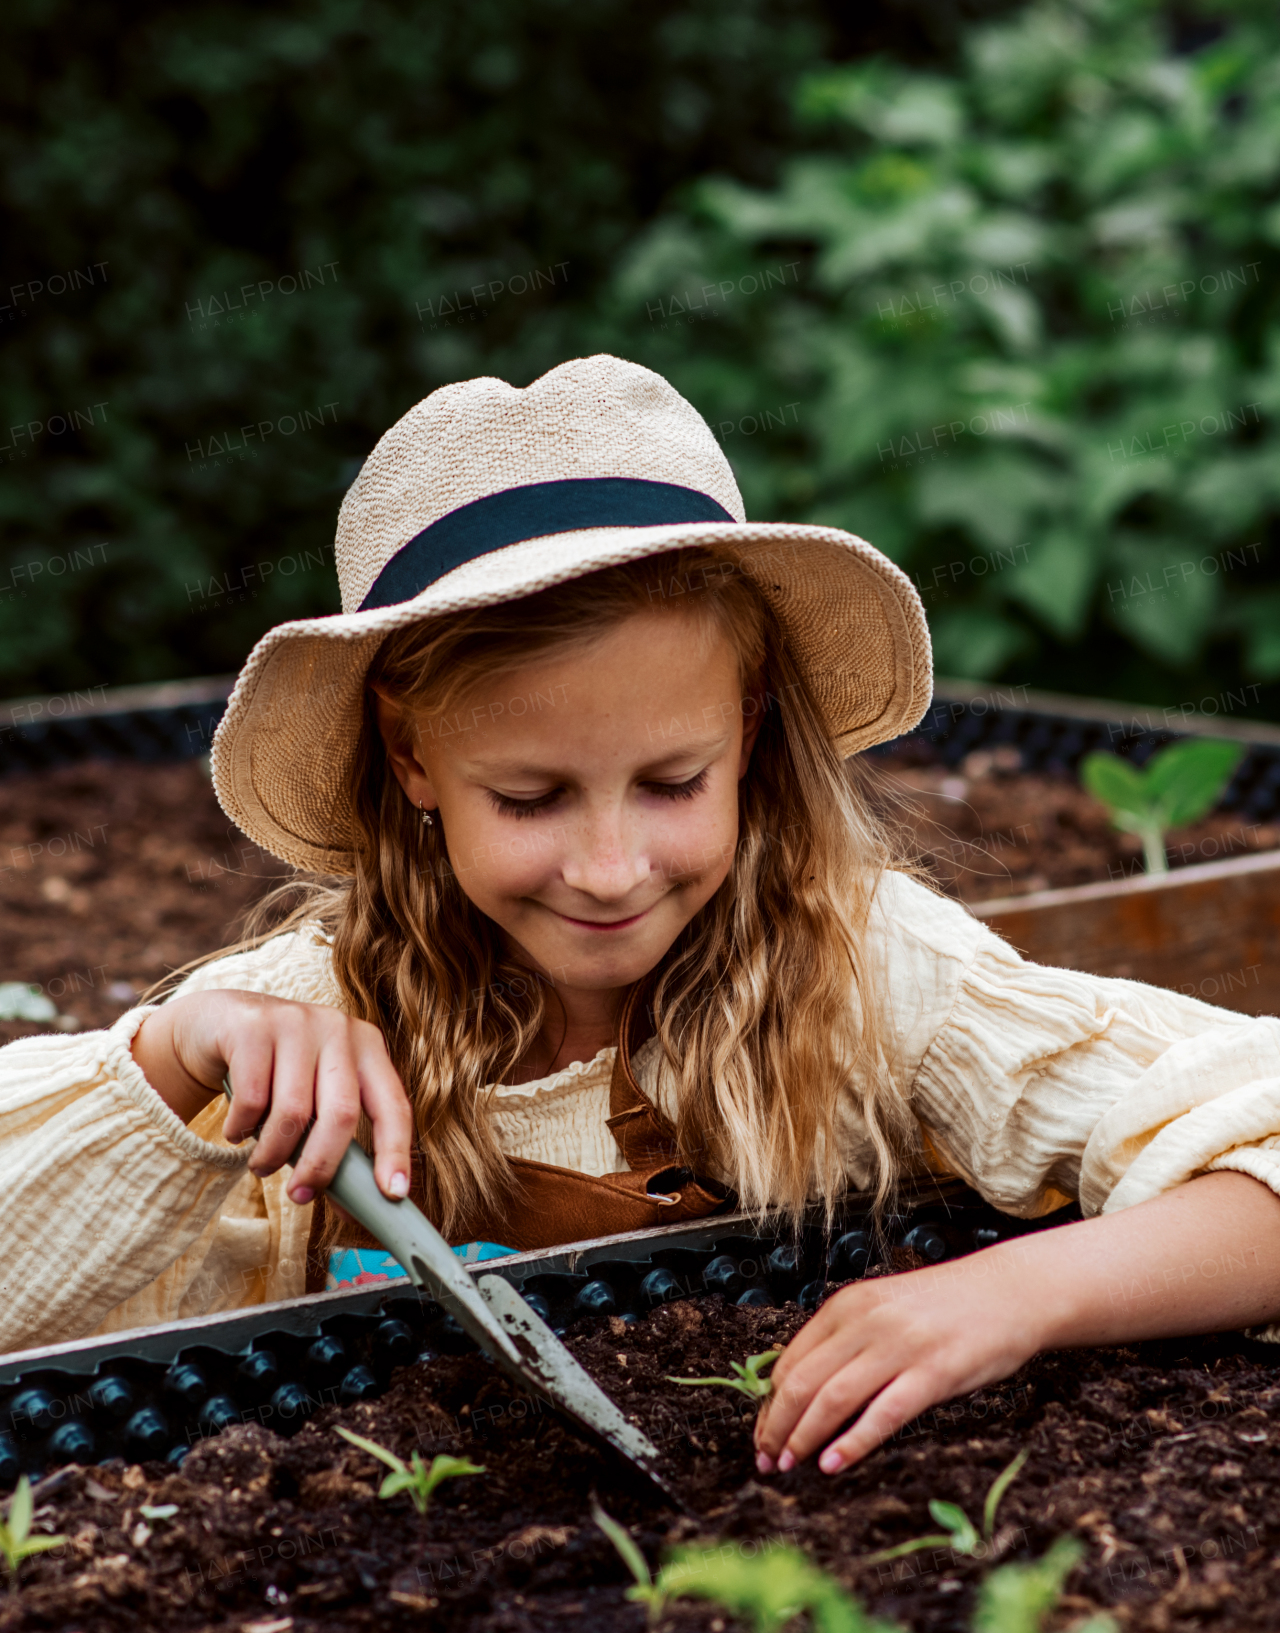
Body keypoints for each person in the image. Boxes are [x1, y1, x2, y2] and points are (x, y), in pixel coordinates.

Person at [3, 355, 1279, 1482]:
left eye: (672, 785)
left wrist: (1017, 1289)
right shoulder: (320, 1018)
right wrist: (176, 1056)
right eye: (531, 798)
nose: (610, 869)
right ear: (408, 758)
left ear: (750, 729)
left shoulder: (858, 969)